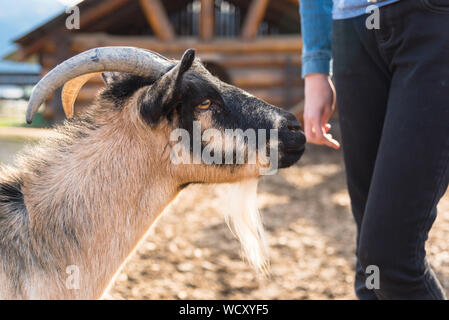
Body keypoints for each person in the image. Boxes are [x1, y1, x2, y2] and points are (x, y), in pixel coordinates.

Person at [300, 0, 449, 299]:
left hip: (433, 21)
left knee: (390, 258)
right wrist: (316, 67)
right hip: (351, 28)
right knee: (370, 269)